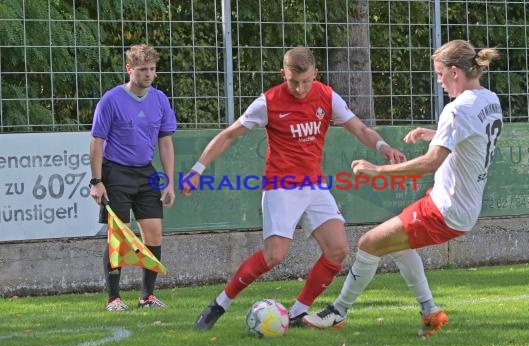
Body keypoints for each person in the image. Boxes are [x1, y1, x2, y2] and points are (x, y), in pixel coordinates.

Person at [180, 46, 406, 330]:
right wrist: (198, 169)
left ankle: (298, 312)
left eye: (306, 81)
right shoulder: (269, 101)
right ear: (283, 74)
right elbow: (229, 135)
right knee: (274, 256)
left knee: (337, 250)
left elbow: (359, 128)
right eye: (293, 81)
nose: (299, 89)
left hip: (314, 185)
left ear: (316, 74)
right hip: (281, 186)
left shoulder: (326, 96)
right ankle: (219, 304)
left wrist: (383, 147)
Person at [303, 39, 503, 337]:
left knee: (369, 243)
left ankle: (338, 312)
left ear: (454, 72)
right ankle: (430, 312)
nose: (438, 81)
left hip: (444, 210)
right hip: (457, 205)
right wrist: (435, 134)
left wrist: (378, 169)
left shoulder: (457, 109)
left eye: (439, 74)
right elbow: (473, 139)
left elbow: (431, 163)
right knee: (394, 245)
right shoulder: (489, 99)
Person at [89, 44, 177, 311]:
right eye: (142, 69)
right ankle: (114, 298)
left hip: (145, 173)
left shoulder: (160, 99)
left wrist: (169, 180)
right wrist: (96, 181)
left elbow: (165, 142)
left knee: (154, 235)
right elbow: (97, 142)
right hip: (115, 172)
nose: (148, 74)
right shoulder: (111, 99)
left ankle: (147, 297)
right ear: (129, 70)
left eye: (152, 69)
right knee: (118, 236)